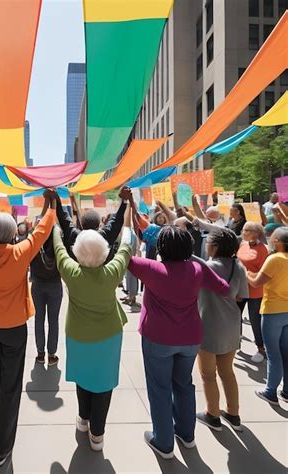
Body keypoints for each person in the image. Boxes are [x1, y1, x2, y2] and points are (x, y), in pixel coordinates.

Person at [127, 191, 230, 459]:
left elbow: (122, 254)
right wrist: (194, 260)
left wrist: (129, 210)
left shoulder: (150, 268)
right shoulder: (197, 269)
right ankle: (187, 434)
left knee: (160, 389)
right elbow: (224, 287)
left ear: (160, 248)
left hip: (157, 338)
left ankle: (164, 442)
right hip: (191, 339)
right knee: (184, 385)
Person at [0, 189, 56, 467]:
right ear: (13, 235)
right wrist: (50, 204)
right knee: (11, 385)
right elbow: (42, 231)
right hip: (13, 329)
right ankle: (2, 449)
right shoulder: (21, 252)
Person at [53, 203, 132, 451]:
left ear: (76, 252)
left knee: (83, 379)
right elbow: (127, 247)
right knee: (103, 383)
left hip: (78, 334)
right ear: (106, 251)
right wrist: (128, 224)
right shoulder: (112, 272)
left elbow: (58, 248)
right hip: (109, 335)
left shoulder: (71, 271)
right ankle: (97, 435)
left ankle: (83, 419)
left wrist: (54, 226)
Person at [196, 228, 249, 432]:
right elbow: (241, 296)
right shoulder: (239, 267)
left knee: (208, 374)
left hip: (209, 325)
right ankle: (233, 414)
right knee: (228, 372)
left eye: (207, 242)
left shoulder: (207, 267)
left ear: (215, 246)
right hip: (232, 325)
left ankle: (213, 415)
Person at [247, 227, 288, 405]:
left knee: (273, 354)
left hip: (273, 310)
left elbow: (256, 282)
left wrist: (246, 272)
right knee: (286, 353)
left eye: (273, 238)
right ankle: (286, 391)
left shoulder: (275, 259)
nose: (270, 239)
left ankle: (270, 392)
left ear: (278, 243)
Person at [55, 187, 131, 262]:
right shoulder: (104, 236)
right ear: (99, 225)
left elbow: (64, 219)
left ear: (82, 225)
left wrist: (56, 199)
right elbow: (117, 220)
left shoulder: (74, 236)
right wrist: (124, 201)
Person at [30, 199, 63, 365]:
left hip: (37, 284)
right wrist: (54, 204)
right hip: (55, 284)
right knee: (53, 320)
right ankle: (52, 355)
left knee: (39, 319)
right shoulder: (59, 240)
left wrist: (46, 203)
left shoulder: (35, 239)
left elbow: (38, 225)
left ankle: (40, 353)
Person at [237, 222, 269, 362]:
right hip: (239, 288)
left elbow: (263, 273)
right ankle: (235, 342)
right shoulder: (242, 245)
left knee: (255, 320)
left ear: (257, 233)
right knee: (235, 316)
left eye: (248, 230)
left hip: (256, 290)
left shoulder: (263, 249)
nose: (244, 232)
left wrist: (247, 273)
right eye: (244, 229)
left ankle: (261, 348)